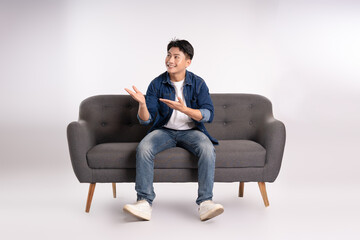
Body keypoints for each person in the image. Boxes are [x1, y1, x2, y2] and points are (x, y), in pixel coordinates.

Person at [124, 39, 224, 221]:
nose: (170, 60)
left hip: (191, 131)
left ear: (188, 62)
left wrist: (185, 110)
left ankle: (205, 203)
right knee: (144, 147)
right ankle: (144, 202)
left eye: (176, 56)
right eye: (168, 55)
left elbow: (209, 114)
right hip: (164, 131)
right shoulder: (156, 84)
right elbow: (146, 121)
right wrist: (142, 104)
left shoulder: (198, 83)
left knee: (207, 148)